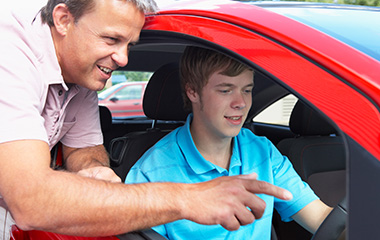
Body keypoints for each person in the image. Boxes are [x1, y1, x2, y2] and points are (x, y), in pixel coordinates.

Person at [0, 1, 293, 239]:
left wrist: (96, 172)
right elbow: (30, 200)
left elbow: (84, 150)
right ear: (63, 19)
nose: (124, 59)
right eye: (112, 39)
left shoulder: (82, 78)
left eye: (129, 44)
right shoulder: (10, 56)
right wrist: (187, 199)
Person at [125, 46, 333, 239]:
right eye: (226, 90)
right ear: (193, 92)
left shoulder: (263, 151)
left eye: (247, 90)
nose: (241, 103)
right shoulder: (150, 172)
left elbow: (321, 218)